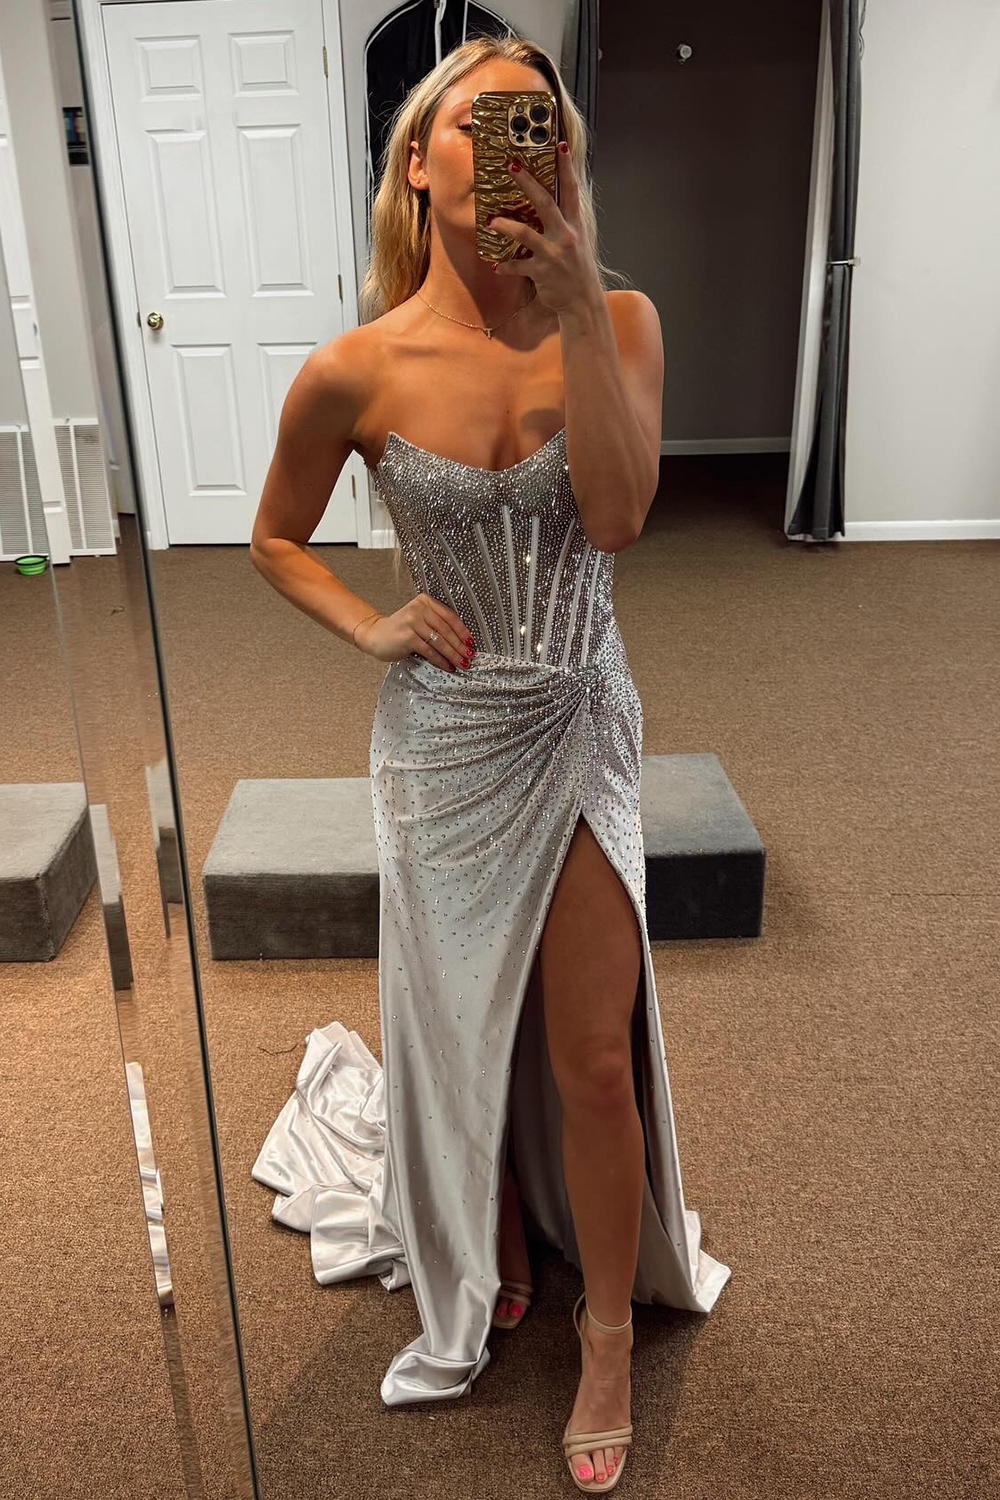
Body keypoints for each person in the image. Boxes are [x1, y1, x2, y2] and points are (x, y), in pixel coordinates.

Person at [250, 33, 730, 1494]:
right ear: (419, 158)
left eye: (545, 124)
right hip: (441, 738)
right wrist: (369, 622)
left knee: (591, 1055)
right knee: (463, 1030)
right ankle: (496, 1235)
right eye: (487, 121)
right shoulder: (356, 365)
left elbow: (621, 519)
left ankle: (604, 1329)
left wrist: (576, 302)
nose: (525, 145)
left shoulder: (621, 320)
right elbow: (274, 537)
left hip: (574, 715)